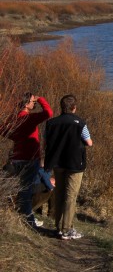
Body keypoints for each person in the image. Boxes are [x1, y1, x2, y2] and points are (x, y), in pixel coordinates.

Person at [0, 93, 53, 228]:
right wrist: (40, 99)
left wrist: (16, 138)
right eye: (32, 102)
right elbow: (48, 113)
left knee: (17, 187)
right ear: (26, 104)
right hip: (29, 158)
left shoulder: (14, 118)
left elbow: (3, 131)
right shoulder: (28, 118)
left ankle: (23, 216)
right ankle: (28, 219)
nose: (34, 104)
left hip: (16, 158)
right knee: (26, 189)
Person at [44, 94, 92, 240]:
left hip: (57, 162)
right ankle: (66, 229)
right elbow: (89, 142)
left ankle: (58, 227)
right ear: (74, 107)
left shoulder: (51, 123)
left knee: (59, 194)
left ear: (61, 107)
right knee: (71, 195)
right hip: (75, 163)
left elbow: (46, 141)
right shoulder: (80, 123)